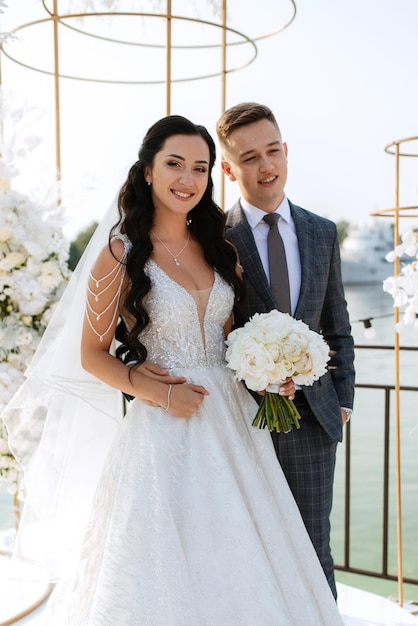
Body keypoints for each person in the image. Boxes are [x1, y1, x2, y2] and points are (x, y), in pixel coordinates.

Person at [3, 115, 344, 625]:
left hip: (233, 422)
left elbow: (231, 342)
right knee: (168, 559)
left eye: (201, 168)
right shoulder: (119, 255)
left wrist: (270, 374)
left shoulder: (219, 248)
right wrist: (158, 394)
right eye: (175, 165)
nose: (188, 179)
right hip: (165, 431)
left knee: (248, 552)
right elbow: (92, 354)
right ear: (147, 171)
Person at [216, 102, 355, 599]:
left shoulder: (321, 231)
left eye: (273, 151)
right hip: (236, 420)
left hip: (314, 421)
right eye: (249, 157)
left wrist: (342, 402)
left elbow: (337, 328)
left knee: (313, 547)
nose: (266, 165)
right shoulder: (212, 235)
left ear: (286, 151)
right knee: (244, 545)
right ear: (229, 169)